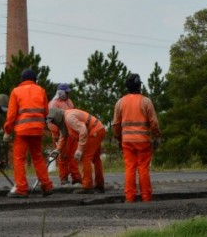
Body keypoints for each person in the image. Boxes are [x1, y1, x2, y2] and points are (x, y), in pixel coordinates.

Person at [3, 68, 54, 198]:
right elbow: (46, 112)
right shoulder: (41, 90)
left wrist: (7, 131)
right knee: (38, 158)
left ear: (22, 79)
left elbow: (11, 114)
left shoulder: (16, 91)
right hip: (37, 129)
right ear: (34, 79)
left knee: (19, 159)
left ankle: (21, 188)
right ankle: (47, 186)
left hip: (22, 131)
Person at [113, 73, 161, 202]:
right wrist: (157, 135)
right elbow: (154, 122)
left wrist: (118, 138)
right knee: (143, 168)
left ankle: (130, 197)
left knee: (130, 168)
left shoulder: (120, 102)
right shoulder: (146, 101)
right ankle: (146, 197)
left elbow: (116, 124)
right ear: (139, 86)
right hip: (143, 141)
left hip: (127, 141)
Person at [47, 107, 105, 194]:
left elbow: (83, 130)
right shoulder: (65, 122)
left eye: (53, 120)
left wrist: (80, 149)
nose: (53, 123)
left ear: (57, 117)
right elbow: (64, 136)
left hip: (94, 131)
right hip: (97, 129)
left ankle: (87, 186)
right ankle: (99, 185)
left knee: (85, 157)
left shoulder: (69, 118)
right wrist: (58, 150)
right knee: (95, 159)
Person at [48, 83, 81, 186]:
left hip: (71, 133)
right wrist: (55, 134)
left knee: (73, 156)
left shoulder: (68, 101)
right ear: (61, 92)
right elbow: (51, 122)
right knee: (62, 157)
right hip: (61, 134)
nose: (68, 94)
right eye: (66, 92)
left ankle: (76, 178)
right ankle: (64, 178)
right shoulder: (53, 104)